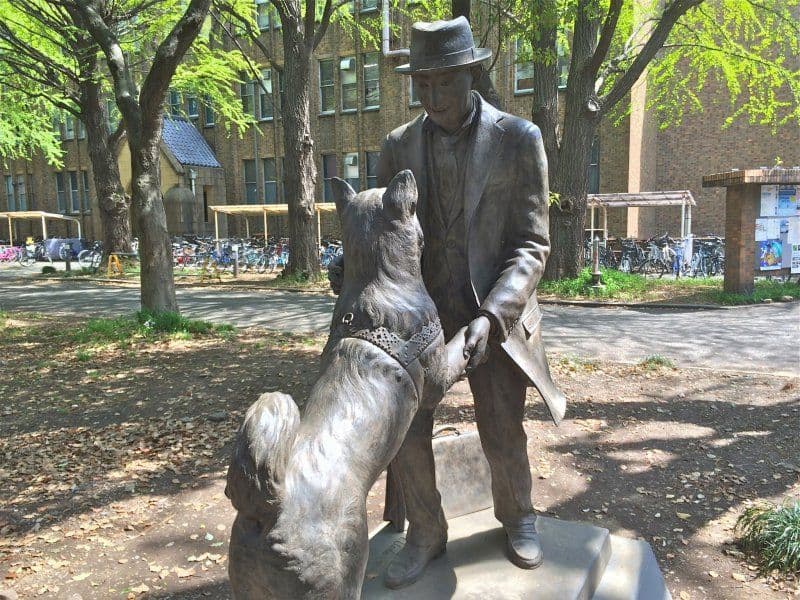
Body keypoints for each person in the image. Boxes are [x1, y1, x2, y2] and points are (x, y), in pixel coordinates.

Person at [374, 17, 567, 589]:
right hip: (422, 315)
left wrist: (493, 315)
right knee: (407, 425)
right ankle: (425, 532)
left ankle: (518, 516)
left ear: (470, 73)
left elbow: (532, 243)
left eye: (443, 83)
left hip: (493, 311)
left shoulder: (518, 139)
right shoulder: (398, 146)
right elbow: (387, 233)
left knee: (502, 424)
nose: (432, 97)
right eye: (422, 85)